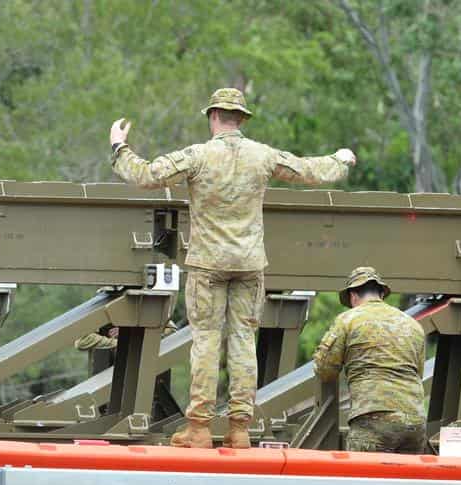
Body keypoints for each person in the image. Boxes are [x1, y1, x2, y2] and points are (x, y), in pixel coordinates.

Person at [110, 87, 356, 448]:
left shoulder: (197, 156)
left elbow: (147, 176)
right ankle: (240, 428)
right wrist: (342, 159)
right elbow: (309, 171)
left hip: (207, 264)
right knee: (243, 341)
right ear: (241, 119)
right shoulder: (263, 156)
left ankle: (199, 428)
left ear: (213, 116)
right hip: (250, 263)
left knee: (206, 341)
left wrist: (119, 147)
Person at [313, 267, 427, 454]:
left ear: (352, 295)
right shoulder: (412, 324)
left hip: (373, 419)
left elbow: (325, 370)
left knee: (364, 482)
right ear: (382, 293)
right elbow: (418, 373)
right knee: (404, 483)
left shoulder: (348, 320)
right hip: (415, 422)